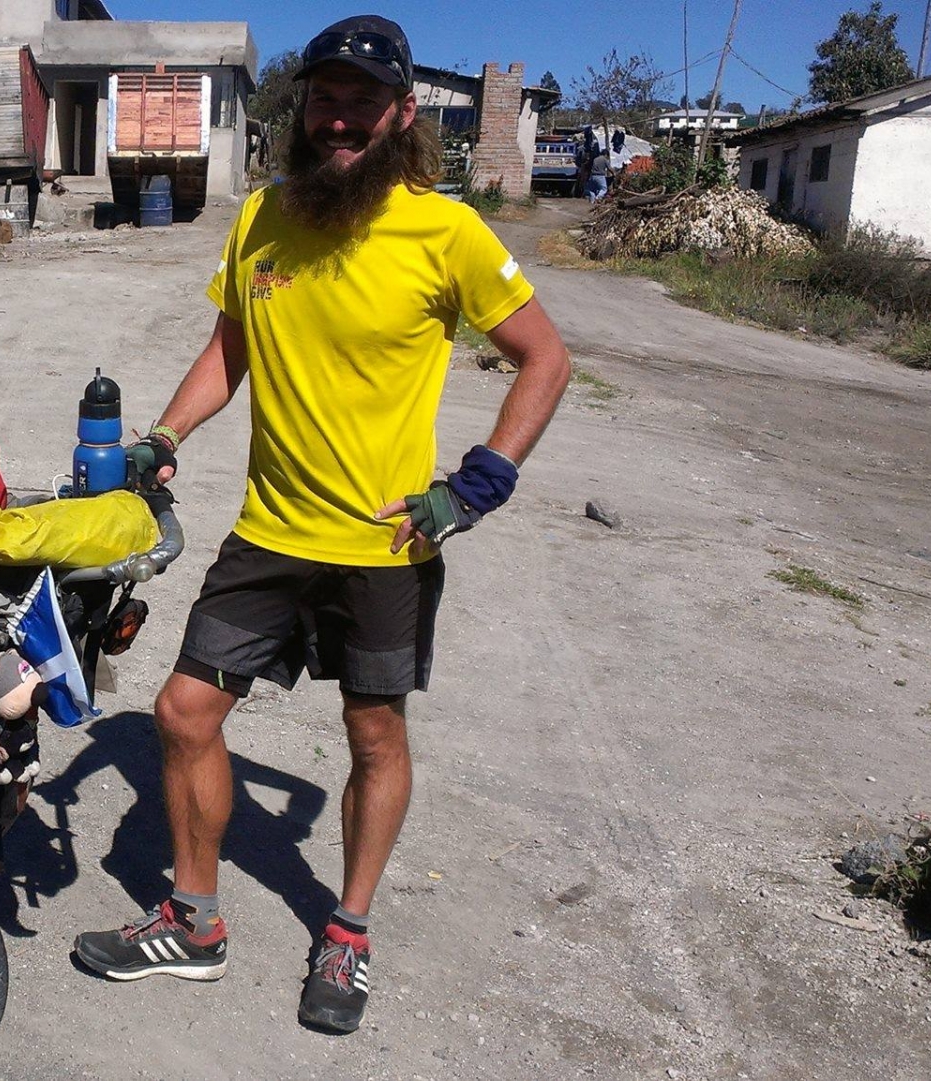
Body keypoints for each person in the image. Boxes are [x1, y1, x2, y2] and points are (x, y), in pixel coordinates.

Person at [70, 13, 572, 1037]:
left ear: (399, 115)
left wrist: (481, 480)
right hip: (269, 533)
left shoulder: (447, 231)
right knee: (179, 713)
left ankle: (346, 932)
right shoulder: (261, 218)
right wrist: (165, 435)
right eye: (324, 98)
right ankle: (195, 920)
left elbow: (545, 358)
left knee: (374, 733)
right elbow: (231, 349)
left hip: (384, 545)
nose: (339, 118)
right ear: (304, 108)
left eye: (361, 101)